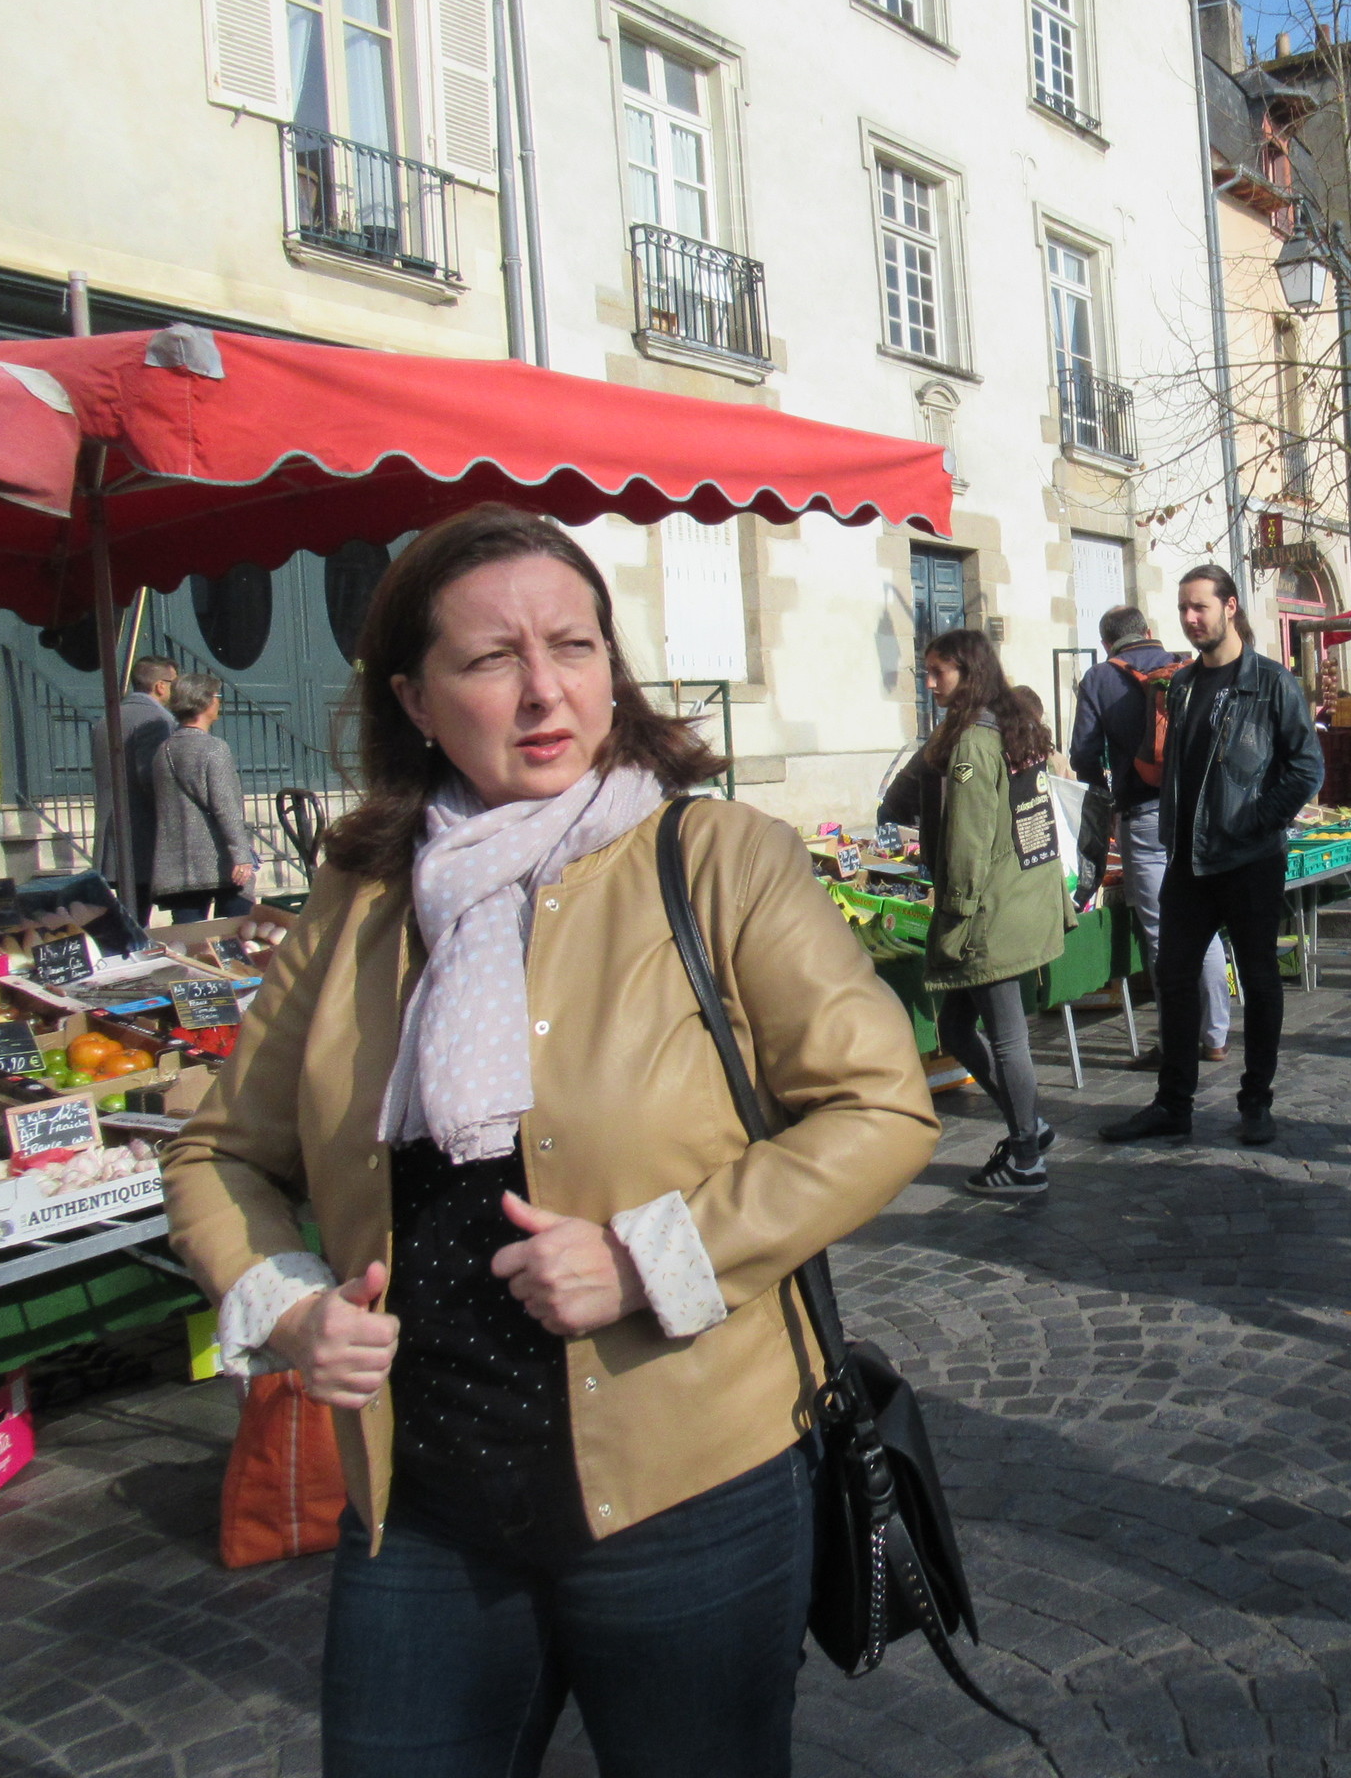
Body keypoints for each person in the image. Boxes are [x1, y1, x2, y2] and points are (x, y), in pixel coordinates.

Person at [161, 503, 938, 1778]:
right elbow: (216, 1153)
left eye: (573, 647)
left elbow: (881, 1106)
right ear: (414, 698)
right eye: (490, 659)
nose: (543, 691)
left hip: (689, 1486)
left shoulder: (717, 860)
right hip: (424, 1501)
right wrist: (285, 1303)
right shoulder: (361, 901)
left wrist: (650, 1255)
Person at [1103, 567, 1321, 1149]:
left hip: (1249, 860)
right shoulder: (1181, 684)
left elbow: (1306, 768)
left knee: (1259, 979)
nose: (1190, 618)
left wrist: (1254, 821)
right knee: (1174, 980)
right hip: (1188, 861)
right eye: (1183, 608)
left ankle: (1256, 1101)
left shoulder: (1272, 683)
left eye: (1199, 607)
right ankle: (1173, 1104)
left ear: (1230, 607)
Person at [880, 631, 1078, 1195]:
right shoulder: (1013, 726)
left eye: (938, 671)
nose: (929, 682)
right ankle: (1030, 1126)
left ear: (967, 673)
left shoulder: (975, 740)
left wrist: (957, 910)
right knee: (956, 1026)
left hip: (992, 909)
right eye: (926, 671)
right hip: (1022, 894)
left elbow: (968, 840)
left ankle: (1026, 1157)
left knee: (1008, 1037)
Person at [1069, 605, 1230, 1070]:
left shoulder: (1100, 678)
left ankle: (1177, 1043)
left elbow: (1082, 755)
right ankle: (1216, 1037)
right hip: (1197, 813)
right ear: (1149, 631)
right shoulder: (1187, 666)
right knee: (1203, 925)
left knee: (1163, 932)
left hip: (1142, 816)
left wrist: (1105, 797)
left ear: (1106, 643)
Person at [149, 671, 258, 923]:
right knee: (232, 935)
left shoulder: (163, 750)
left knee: (189, 938)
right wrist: (241, 856)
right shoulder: (214, 749)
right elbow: (226, 807)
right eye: (217, 696)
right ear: (205, 701)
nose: (219, 701)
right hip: (219, 861)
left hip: (178, 865)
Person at [92, 654, 178, 906]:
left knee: (129, 913)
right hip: (142, 837)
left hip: (112, 834)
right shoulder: (158, 720)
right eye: (175, 684)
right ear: (160, 686)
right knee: (138, 916)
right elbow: (152, 778)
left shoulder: (107, 718)